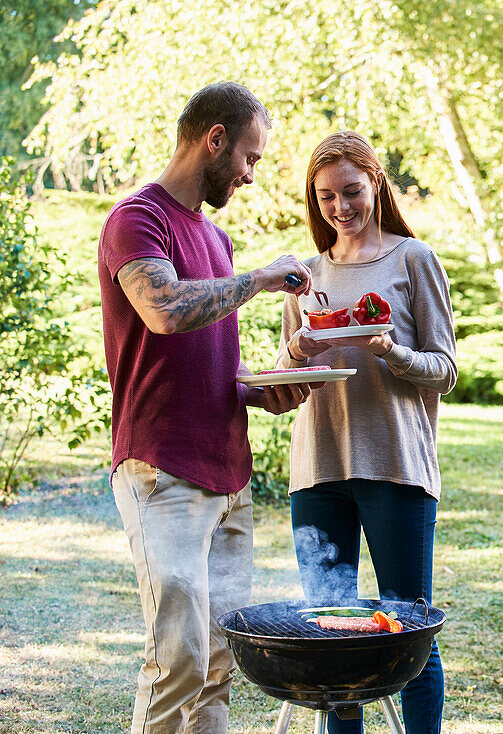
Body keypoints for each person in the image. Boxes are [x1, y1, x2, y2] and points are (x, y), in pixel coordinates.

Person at [98, 81, 316, 734]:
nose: (250, 175)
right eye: (249, 157)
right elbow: (163, 311)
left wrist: (263, 389)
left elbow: (211, 366)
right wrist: (260, 279)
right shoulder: (139, 219)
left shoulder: (216, 242)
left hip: (229, 477)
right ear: (214, 139)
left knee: (219, 660)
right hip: (163, 471)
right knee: (179, 657)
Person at [276, 131, 456, 734]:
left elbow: (446, 368)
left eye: (351, 191)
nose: (339, 207)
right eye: (325, 195)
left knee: (411, 630)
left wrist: (392, 352)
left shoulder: (413, 260)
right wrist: (297, 351)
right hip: (318, 469)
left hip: (395, 466)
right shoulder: (303, 276)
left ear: (376, 184)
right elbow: (290, 374)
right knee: (333, 633)